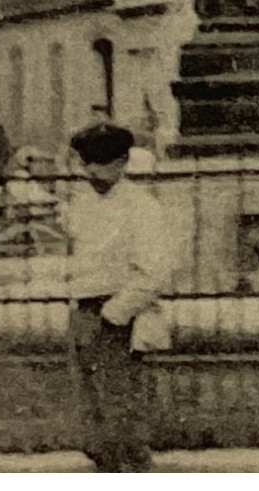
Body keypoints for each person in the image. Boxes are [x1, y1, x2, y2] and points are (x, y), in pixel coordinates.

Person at [64, 122, 183, 472]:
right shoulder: (81, 202)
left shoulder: (141, 207)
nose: (90, 172)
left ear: (121, 162)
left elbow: (154, 270)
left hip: (117, 315)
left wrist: (114, 314)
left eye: (99, 164)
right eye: (86, 163)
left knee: (121, 414)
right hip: (83, 311)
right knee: (91, 412)